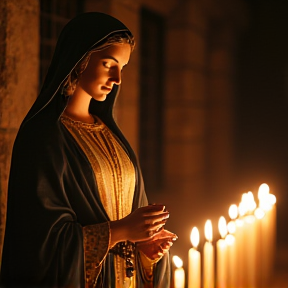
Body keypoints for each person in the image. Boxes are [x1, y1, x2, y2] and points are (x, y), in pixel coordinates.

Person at [0, 12, 177, 288]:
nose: (117, 78)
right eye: (108, 64)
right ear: (80, 59)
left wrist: (146, 249)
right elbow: (40, 246)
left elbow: (133, 220)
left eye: (123, 67)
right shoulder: (43, 137)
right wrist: (120, 231)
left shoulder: (112, 135)